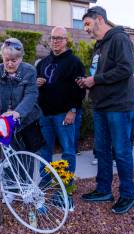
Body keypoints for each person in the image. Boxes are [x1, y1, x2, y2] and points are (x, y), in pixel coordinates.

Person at [77, 6, 134, 214]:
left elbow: (125, 69)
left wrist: (96, 79)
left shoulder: (119, 39)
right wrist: (88, 82)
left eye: (87, 23)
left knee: (120, 152)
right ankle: (104, 190)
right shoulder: (99, 46)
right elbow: (99, 74)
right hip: (101, 106)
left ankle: (128, 195)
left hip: (118, 107)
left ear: (99, 20)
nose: (84, 28)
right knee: (101, 150)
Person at [36, 26, 86, 182]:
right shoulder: (43, 63)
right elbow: (33, 87)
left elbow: (80, 90)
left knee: (68, 151)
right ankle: (45, 182)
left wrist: (73, 110)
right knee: (45, 151)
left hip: (64, 114)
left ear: (66, 40)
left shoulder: (74, 62)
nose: (55, 41)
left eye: (59, 38)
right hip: (44, 114)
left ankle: (66, 186)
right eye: (53, 38)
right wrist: (36, 82)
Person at [0, 38, 43, 152]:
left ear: (20, 58)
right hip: (4, 122)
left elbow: (31, 95)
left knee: (25, 158)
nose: (10, 63)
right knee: (6, 157)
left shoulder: (29, 70)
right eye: (6, 60)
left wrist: (18, 112)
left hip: (26, 122)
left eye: (14, 60)